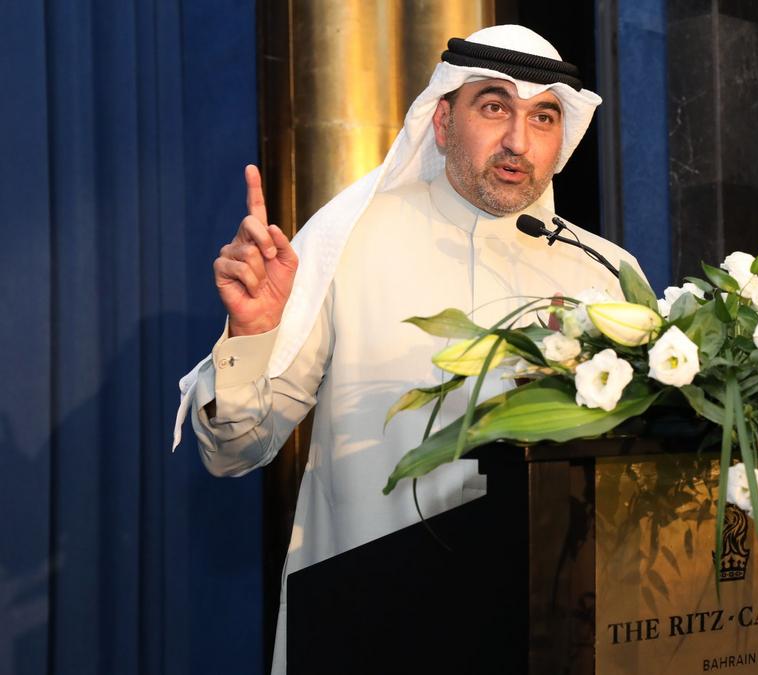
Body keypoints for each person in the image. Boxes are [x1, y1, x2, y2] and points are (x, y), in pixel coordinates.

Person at [171, 25, 642, 673]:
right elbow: (236, 449)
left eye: (543, 116)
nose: (518, 140)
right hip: (372, 625)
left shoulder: (604, 275)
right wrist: (252, 337)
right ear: (443, 121)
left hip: (544, 634)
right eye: (495, 106)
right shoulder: (350, 242)